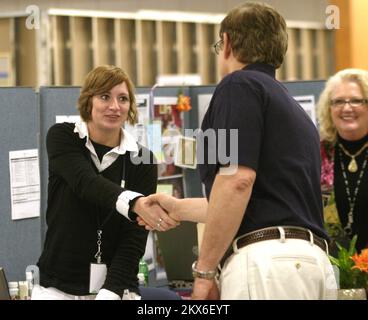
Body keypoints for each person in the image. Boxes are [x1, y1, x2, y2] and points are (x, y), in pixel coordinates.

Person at [143, 2, 337, 300]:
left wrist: (204, 272)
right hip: (309, 265)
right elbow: (254, 201)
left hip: (267, 265)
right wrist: (180, 208)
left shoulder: (239, 85)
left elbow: (236, 182)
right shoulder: (290, 108)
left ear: (228, 44)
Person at [32, 65, 178, 300]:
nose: (114, 106)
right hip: (57, 287)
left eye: (123, 98)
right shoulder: (63, 137)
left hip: (118, 288)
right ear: (88, 101)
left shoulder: (142, 160)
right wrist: (134, 203)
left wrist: (110, 292)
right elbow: (85, 182)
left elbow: (133, 238)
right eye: (104, 97)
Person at [317, 68, 368, 253]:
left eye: (356, 100)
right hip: (333, 269)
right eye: (338, 101)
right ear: (328, 108)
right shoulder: (317, 154)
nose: (346, 108)